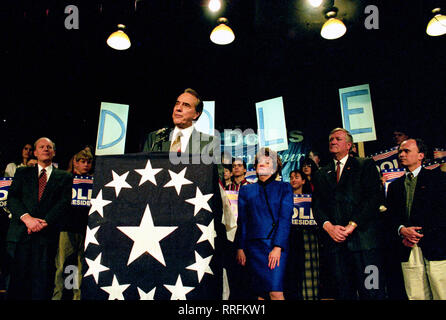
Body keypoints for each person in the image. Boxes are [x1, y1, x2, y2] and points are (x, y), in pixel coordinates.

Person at [312, 128, 386, 300]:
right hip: (336, 246)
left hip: (366, 244)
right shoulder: (321, 173)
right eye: (331, 139)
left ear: (349, 145)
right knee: (343, 293)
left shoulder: (364, 165)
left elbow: (373, 199)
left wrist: (352, 225)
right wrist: (328, 227)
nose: (333, 142)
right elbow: (317, 206)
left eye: (338, 139)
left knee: (372, 290)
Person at [5, 137, 72, 300]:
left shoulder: (64, 177)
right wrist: (27, 219)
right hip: (21, 234)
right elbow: (12, 198)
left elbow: (63, 203)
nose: (45, 149)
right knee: (17, 281)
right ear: (35, 152)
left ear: (54, 152)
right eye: (41, 147)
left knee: (43, 282)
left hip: (46, 236)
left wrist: (43, 222)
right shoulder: (22, 172)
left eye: (49, 147)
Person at [386, 138, 446, 300]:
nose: (401, 155)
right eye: (400, 151)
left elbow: (442, 213)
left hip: (436, 246)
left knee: (442, 292)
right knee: (416, 295)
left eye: (406, 151)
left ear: (420, 155)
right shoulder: (394, 187)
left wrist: (420, 232)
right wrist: (402, 230)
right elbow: (390, 217)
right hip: (408, 247)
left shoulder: (438, 179)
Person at [235, 147, 293, 300]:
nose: (262, 164)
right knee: (260, 293)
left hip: (275, 247)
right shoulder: (246, 190)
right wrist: (240, 247)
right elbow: (242, 221)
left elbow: (285, 219)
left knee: (275, 292)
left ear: (275, 167)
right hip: (253, 248)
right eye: (260, 161)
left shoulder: (284, 188)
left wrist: (277, 247)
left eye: (267, 162)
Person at [53, 149, 94, 300]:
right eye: (82, 161)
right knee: (63, 265)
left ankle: (77, 297)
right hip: (66, 227)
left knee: (80, 267)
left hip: (85, 229)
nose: (85, 165)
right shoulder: (65, 178)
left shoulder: (94, 179)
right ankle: (58, 296)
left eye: (88, 162)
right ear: (75, 162)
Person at [142, 88, 219, 156]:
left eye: (186, 105)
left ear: (196, 114)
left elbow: (216, 172)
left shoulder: (210, 143)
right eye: (177, 103)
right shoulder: (155, 138)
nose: (178, 108)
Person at [285, 169, 319, 300]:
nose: (293, 179)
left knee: (309, 270)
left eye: (297, 177)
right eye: (291, 177)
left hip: (308, 238)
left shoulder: (312, 198)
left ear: (303, 181)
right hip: (290, 237)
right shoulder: (285, 198)